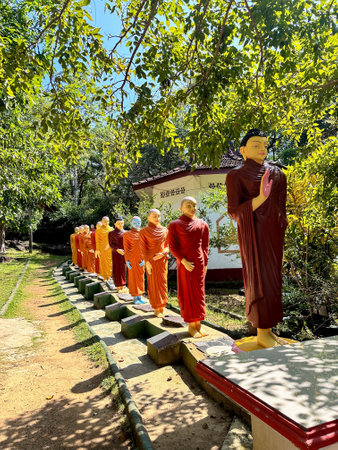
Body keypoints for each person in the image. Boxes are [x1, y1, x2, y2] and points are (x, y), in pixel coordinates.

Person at [226, 128, 287, 349]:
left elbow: (281, 206)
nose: (262, 148)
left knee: (273, 279)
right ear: (242, 150)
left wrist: (281, 221)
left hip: (273, 234)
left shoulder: (277, 173)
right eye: (255, 144)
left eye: (264, 144)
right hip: (254, 234)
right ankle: (262, 333)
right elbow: (234, 212)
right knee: (259, 278)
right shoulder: (236, 175)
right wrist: (262, 197)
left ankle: (269, 331)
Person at [168, 197, 209, 338]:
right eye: (188, 205)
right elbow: (172, 247)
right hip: (185, 264)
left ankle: (199, 325)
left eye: (194, 205)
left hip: (199, 263)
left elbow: (205, 246)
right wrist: (183, 261)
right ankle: (191, 326)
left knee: (199, 294)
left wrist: (205, 264)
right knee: (188, 293)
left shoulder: (202, 224)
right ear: (181, 208)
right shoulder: (175, 225)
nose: (192, 208)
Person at [139, 209, 169, 317]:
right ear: (148, 217)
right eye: (154, 216)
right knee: (153, 283)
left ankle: (162, 306)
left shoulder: (165, 230)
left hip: (162, 261)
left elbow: (168, 246)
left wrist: (163, 253)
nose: (157, 218)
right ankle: (156, 307)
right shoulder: (143, 231)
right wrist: (147, 262)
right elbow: (143, 249)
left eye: (159, 216)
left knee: (163, 284)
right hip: (151, 261)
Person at [123, 216, 146, 304]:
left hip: (141, 259)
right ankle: (135, 298)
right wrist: (127, 261)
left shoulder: (144, 233)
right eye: (135, 223)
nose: (137, 224)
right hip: (132, 259)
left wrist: (145, 259)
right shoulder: (127, 234)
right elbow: (126, 248)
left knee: (141, 278)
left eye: (139, 222)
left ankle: (140, 297)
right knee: (133, 278)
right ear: (131, 223)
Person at [108, 216, 127, 293]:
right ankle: (118, 286)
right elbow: (111, 244)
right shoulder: (111, 233)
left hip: (124, 253)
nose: (120, 225)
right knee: (117, 269)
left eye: (122, 223)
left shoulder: (126, 233)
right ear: (115, 224)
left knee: (123, 268)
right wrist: (117, 249)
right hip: (116, 253)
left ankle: (122, 285)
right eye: (118, 223)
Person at [95, 216, 112, 281]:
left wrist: (109, 244)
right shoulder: (98, 230)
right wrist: (97, 249)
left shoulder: (111, 229)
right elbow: (97, 241)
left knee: (110, 263)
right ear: (102, 222)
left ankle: (109, 275)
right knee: (103, 262)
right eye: (104, 221)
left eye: (107, 221)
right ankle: (104, 276)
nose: (106, 223)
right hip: (102, 248)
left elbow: (113, 239)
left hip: (109, 248)